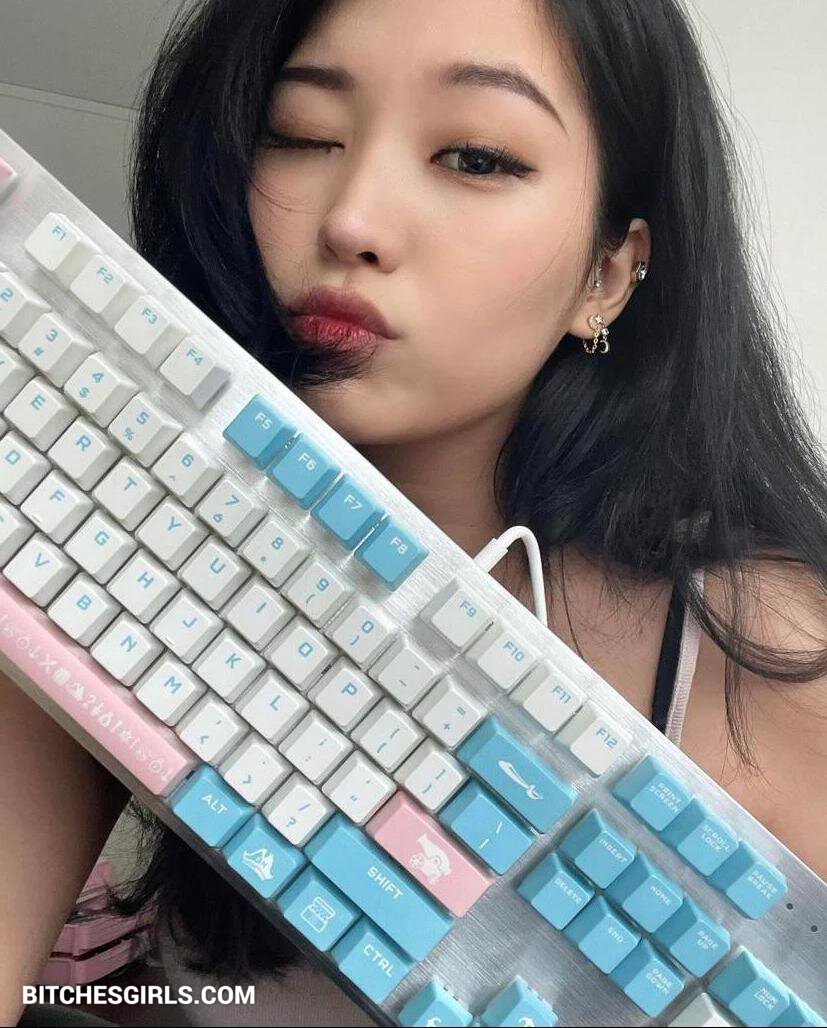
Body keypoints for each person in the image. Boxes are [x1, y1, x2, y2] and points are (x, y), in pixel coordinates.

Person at [3, 0, 826, 1024]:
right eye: (301, 135)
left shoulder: (770, 659)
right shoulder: (124, 542)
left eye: (475, 157)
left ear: (608, 273)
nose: (351, 220)